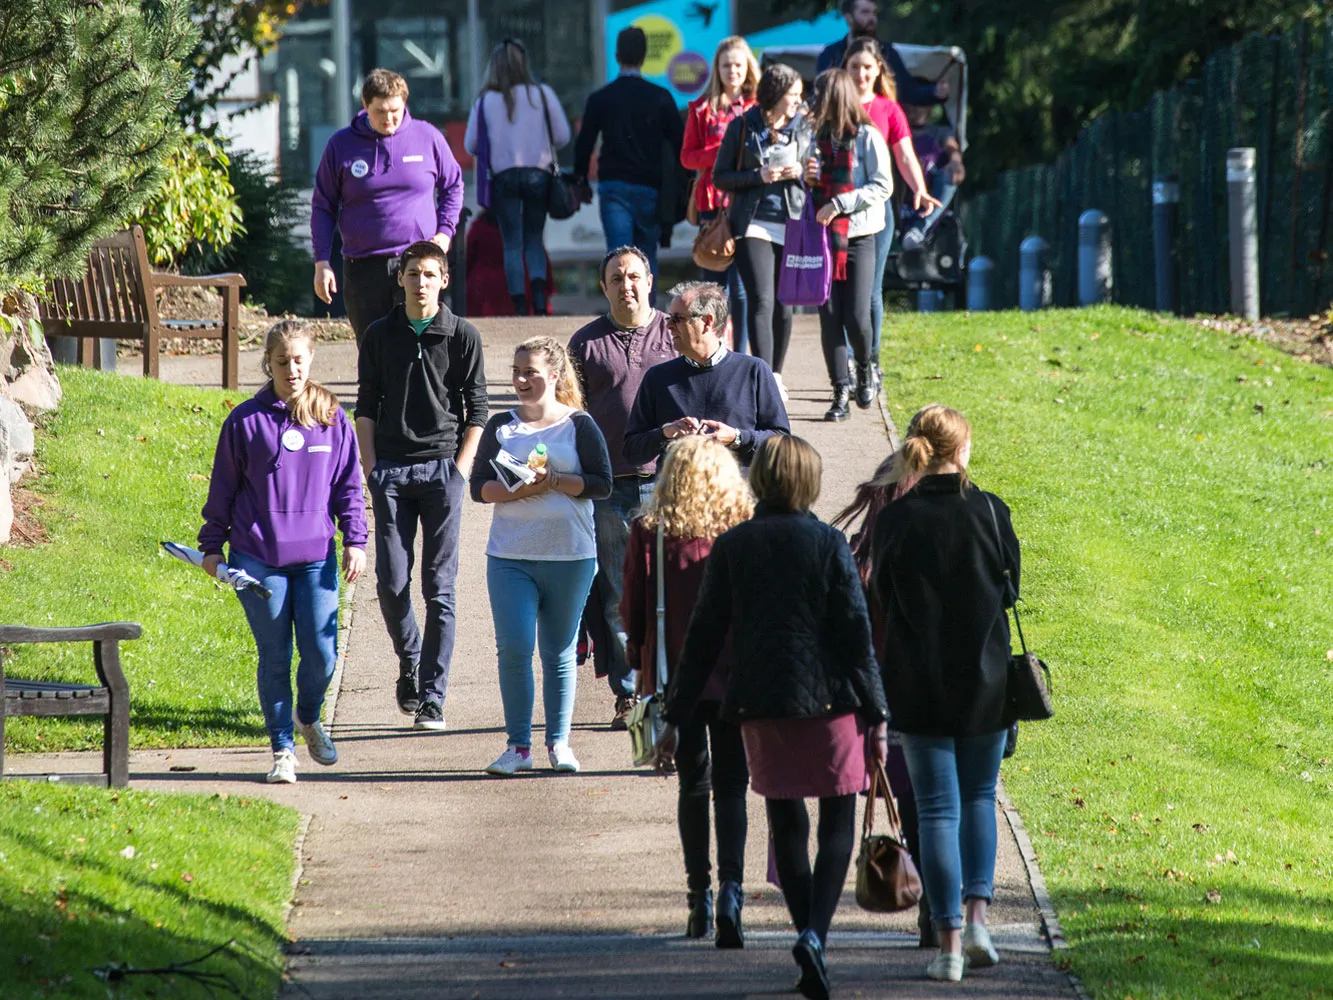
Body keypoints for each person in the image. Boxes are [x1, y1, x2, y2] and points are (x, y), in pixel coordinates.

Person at [654, 435, 889, 1000]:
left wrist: (676, 716)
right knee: (836, 820)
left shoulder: (734, 546)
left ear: (759, 480)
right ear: (808, 481)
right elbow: (856, 638)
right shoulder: (830, 543)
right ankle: (815, 934)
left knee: (787, 823)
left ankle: (806, 929)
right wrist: (878, 711)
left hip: (759, 702)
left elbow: (703, 638)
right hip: (830, 700)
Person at [870, 405, 1021, 983]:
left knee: (935, 810)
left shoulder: (896, 520)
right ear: (961, 450)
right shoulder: (990, 510)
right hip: (984, 679)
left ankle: (949, 942)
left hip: (917, 679)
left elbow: (882, 593)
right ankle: (979, 919)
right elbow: (1011, 588)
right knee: (980, 797)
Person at [199, 321, 368, 784]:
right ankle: (282, 751)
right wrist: (211, 547)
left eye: (298, 360)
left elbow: (349, 486)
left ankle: (307, 715)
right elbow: (223, 489)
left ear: (310, 359)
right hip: (258, 559)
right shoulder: (245, 421)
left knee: (322, 655)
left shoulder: (332, 417)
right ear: (267, 363)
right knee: (275, 657)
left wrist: (355, 539)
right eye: (281, 361)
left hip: (316, 558)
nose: (291, 369)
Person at [621, 436, 754, 945]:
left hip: (676, 674)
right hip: (736, 673)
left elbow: (632, 607)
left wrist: (638, 663)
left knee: (692, 784)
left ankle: (697, 897)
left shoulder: (650, 531)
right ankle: (731, 892)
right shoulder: (740, 530)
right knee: (733, 787)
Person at [354, 241, 489, 731]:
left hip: (441, 471)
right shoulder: (379, 334)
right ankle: (409, 659)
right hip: (390, 471)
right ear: (401, 278)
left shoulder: (461, 335)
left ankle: (433, 696)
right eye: (413, 273)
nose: (421, 282)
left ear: (444, 280)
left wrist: (460, 470)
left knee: (440, 588)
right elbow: (365, 405)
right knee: (391, 583)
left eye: (430, 274)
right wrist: (371, 468)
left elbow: (478, 409)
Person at [470, 337, 613, 776]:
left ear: (554, 375)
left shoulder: (579, 425)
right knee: (514, 649)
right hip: (510, 555)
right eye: (516, 371)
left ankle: (558, 744)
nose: (521, 380)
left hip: (571, 556)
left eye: (530, 371)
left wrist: (555, 481)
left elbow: (602, 483)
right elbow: (479, 489)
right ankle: (518, 747)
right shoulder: (500, 426)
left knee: (558, 652)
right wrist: (521, 489)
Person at [568, 247, 678, 730]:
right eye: (616, 278)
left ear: (650, 280)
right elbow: (571, 416)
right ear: (604, 286)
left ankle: (672, 690)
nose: (626, 285)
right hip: (610, 488)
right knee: (618, 594)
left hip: (669, 483)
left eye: (634, 276)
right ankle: (630, 695)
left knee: (671, 591)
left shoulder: (674, 332)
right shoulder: (585, 344)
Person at [830, 452, 935, 949]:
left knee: (897, 803)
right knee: (928, 806)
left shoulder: (858, 556)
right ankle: (937, 906)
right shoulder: (925, 559)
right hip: (917, 698)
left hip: (870, 705)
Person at [312, 69, 465, 344]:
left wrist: (445, 231)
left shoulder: (427, 137)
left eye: (395, 110)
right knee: (373, 351)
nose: (389, 119)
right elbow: (323, 205)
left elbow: (453, 185)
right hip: (363, 265)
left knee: (420, 347)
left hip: (417, 264)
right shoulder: (342, 145)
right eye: (380, 111)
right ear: (365, 106)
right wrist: (322, 261)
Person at [803, 69, 892, 423]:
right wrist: (806, 178)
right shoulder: (812, 138)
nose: (813, 103)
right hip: (821, 238)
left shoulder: (867, 137)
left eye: (819, 96)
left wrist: (841, 203)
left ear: (834, 98)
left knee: (856, 314)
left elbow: (882, 186)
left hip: (859, 235)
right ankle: (839, 391)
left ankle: (866, 367)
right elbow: (803, 185)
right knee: (829, 318)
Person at [843, 37, 941, 362]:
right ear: (846, 68)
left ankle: (870, 361)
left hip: (875, 211)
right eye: (855, 67)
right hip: (836, 210)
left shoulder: (888, 108)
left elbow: (905, 155)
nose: (860, 74)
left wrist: (920, 189)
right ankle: (844, 363)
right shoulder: (834, 107)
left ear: (878, 70)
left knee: (870, 288)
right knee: (842, 290)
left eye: (867, 67)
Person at [623, 281, 789, 472]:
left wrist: (736, 437)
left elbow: (782, 443)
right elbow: (631, 451)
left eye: (677, 318)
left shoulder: (754, 371)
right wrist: (665, 433)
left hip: (737, 497)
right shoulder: (657, 377)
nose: (668, 325)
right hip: (677, 497)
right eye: (669, 318)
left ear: (707, 321)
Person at [712, 63, 812, 381]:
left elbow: (817, 169)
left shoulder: (804, 127)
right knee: (762, 299)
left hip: (792, 220)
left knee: (785, 303)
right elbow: (720, 176)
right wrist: (759, 175)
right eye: (792, 94)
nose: (798, 100)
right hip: (752, 222)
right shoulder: (743, 126)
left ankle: (776, 376)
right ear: (776, 94)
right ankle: (764, 377)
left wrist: (804, 173)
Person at [464, 38, 570, 316]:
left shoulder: (485, 101)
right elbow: (562, 136)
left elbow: (471, 144)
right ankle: (538, 296)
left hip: (504, 179)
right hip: (539, 176)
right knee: (534, 238)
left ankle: (519, 304)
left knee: (512, 242)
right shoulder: (542, 94)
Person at [574, 26, 686, 287]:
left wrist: (579, 180)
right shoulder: (660, 97)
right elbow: (681, 144)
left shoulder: (601, 98)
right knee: (646, 259)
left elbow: (584, 144)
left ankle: (620, 320)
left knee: (618, 257)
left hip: (614, 188)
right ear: (645, 57)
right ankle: (647, 319)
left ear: (617, 56)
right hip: (650, 189)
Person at [681, 36, 760, 354]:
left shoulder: (758, 107)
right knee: (713, 287)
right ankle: (709, 352)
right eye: (726, 65)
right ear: (717, 68)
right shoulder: (702, 108)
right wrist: (723, 152)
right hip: (712, 205)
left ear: (748, 67)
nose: (733, 71)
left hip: (748, 204)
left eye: (738, 64)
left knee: (741, 289)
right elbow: (687, 157)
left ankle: (739, 355)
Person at [815, 0, 949, 107]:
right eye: (865, 12)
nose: (872, 18)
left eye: (874, 13)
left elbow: (906, 90)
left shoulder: (887, 52)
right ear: (848, 18)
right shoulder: (831, 55)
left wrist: (934, 92)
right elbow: (823, 94)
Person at [899, 101, 965, 249]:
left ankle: (919, 227)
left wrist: (956, 162)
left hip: (931, 195)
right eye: (910, 103)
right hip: (904, 193)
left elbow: (952, 148)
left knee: (951, 174)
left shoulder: (940, 132)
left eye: (918, 103)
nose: (913, 109)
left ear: (928, 107)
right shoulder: (901, 130)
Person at [464, 209, 552, 317]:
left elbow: (468, 257)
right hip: (521, 282)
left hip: (484, 285)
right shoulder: (524, 226)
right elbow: (539, 258)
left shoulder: (480, 226)